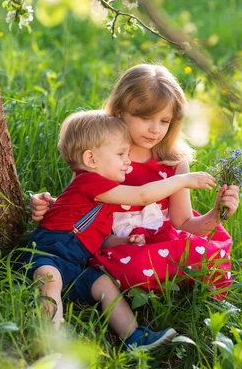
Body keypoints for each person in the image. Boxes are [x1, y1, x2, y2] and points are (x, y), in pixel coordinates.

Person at [30, 64, 240, 299]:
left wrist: (217, 214)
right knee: (134, 264)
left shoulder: (174, 164)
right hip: (116, 246)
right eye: (145, 117)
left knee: (205, 252)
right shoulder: (101, 159)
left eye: (164, 121)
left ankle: (168, 282)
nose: (155, 129)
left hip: (160, 240)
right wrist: (49, 204)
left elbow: (183, 223)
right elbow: (81, 205)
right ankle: (156, 281)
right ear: (119, 112)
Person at [19, 110, 217, 350]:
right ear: (91, 159)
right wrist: (184, 180)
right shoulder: (90, 182)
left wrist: (124, 242)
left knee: (104, 285)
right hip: (48, 255)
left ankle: (134, 336)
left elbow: (99, 238)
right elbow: (142, 195)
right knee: (51, 280)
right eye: (121, 154)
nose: (127, 160)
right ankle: (52, 339)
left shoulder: (104, 198)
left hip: (77, 264)